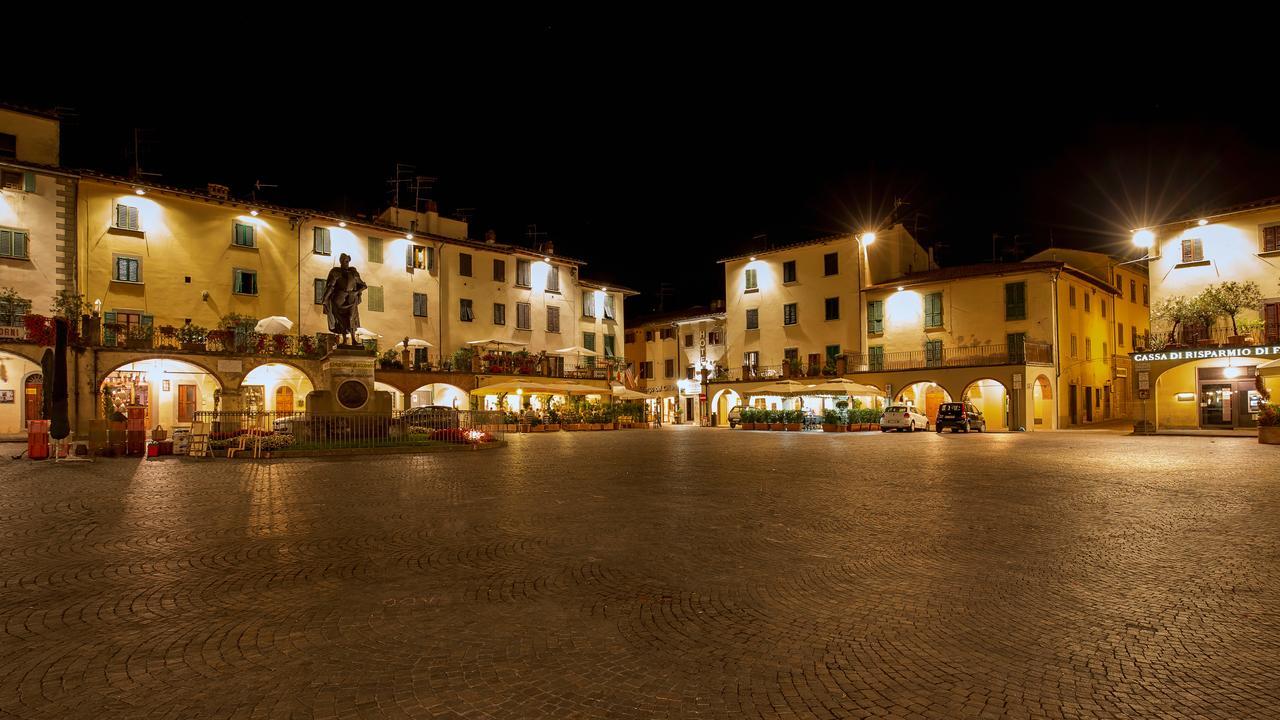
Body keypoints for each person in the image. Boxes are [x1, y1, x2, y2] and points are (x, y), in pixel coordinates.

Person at [322, 253, 367, 346]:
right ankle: (345, 340)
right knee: (341, 320)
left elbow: (363, 285)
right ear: (340, 261)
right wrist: (325, 299)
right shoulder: (335, 272)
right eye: (343, 261)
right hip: (338, 300)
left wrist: (356, 292)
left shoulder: (354, 274)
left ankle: (354, 339)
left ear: (348, 261)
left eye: (346, 261)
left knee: (351, 317)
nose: (345, 263)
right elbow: (330, 287)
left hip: (351, 299)